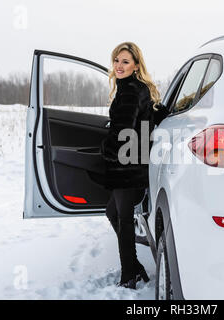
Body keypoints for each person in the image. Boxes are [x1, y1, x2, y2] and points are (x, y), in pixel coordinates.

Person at [100, 42, 168, 289]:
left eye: (125, 61)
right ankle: (134, 266)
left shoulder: (129, 91)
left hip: (125, 166)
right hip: (135, 162)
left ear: (136, 65)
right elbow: (147, 120)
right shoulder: (137, 89)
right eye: (117, 60)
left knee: (124, 219)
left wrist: (106, 151)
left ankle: (128, 275)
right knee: (114, 213)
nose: (119, 65)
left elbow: (124, 129)